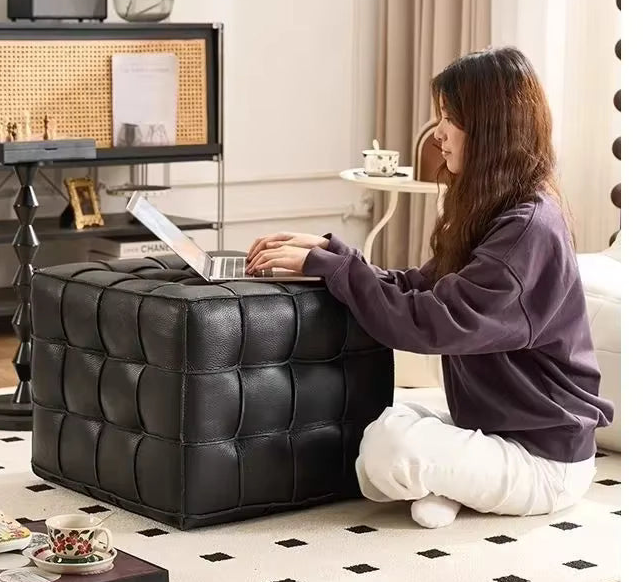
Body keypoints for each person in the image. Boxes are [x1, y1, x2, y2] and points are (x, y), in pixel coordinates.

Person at [246, 46, 614, 529]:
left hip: (545, 459)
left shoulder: (528, 230)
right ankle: (455, 483)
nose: (437, 132)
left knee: (391, 446)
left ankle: (454, 481)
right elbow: (417, 288)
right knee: (381, 426)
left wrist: (336, 271)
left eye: (450, 118)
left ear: (492, 129)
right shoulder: (498, 213)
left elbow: (430, 323)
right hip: (487, 430)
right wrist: (332, 254)